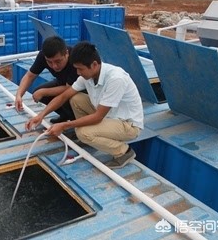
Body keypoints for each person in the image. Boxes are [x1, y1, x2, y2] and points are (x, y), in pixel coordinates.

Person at [25, 41, 144, 169]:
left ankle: (123, 152)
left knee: (83, 133)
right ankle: (89, 138)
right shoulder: (88, 75)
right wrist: (41, 115)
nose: (77, 73)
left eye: (80, 69)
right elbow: (64, 96)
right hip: (109, 116)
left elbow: (98, 117)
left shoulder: (116, 79)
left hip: (127, 124)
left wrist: (64, 125)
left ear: (94, 65)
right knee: (75, 98)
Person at [15, 36, 78, 123]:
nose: (54, 66)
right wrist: (19, 95)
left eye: (58, 61)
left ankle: (75, 122)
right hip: (63, 82)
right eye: (49, 62)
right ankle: (64, 115)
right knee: (39, 93)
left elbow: (69, 89)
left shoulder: (75, 60)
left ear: (66, 53)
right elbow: (30, 76)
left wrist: (44, 92)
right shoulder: (42, 56)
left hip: (80, 89)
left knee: (70, 99)